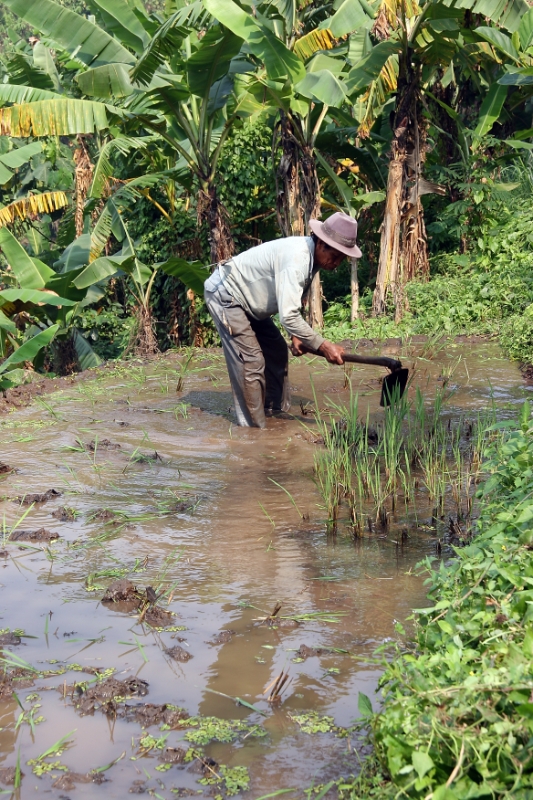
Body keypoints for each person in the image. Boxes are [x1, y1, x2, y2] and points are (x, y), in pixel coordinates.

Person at [204, 212, 362, 428]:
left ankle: (273, 412)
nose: (336, 263)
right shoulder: (298, 259)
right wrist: (323, 346)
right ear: (322, 244)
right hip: (227, 294)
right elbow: (288, 316)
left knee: (277, 349)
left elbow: (291, 302)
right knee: (251, 361)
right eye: (335, 256)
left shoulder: (312, 258)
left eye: (341, 259)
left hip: (250, 301)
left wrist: (297, 336)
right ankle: (254, 430)